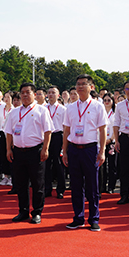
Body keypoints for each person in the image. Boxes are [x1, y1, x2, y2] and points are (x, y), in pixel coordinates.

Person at [61, 75, 107, 231]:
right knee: (75, 185)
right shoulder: (70, 107)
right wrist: (65, 151)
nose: (80, 87)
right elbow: (66, 129)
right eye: (77, 84)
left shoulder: (97, 106)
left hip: (90, 149)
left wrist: (102, 152)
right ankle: (78, 217)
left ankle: (94, 218)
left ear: (91, 87)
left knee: (92, 186)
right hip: (74, 149)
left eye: (83, 84)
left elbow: (102, 129)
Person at [4, 83, 53, 224]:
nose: (25, 95)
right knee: (21, 184)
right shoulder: (14, 112)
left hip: (35, 151)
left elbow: (48, 131)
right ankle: (23, 211)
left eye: (28, 92)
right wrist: (8, 149)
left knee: (38, 184)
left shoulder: (41, 111)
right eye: (22, 92)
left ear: (34, 94)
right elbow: (8, 132)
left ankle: (37, 212)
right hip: (18, 151)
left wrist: (45, 149)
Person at [45, 86, 68, 198]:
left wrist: (64, 144)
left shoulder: (63, 109)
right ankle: (47, 188)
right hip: (46, 137)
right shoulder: (44, 108)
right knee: (46, 163)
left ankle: (60, 189)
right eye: (49, 93)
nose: (51, 95)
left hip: (58, 136)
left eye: (53, 93)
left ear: (58, 95)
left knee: (59, 164)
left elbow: (65, 127)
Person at [99, 93, 117, 194]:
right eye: (105, 100)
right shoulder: (100, 112)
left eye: (109, 100)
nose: (106, 102)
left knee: (111, 165)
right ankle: (102, 186)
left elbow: (116, 128)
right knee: (102, 165)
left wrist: (110, 139)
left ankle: (111, 186)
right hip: (101, 141)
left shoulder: (115, 113)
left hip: (111, 142)